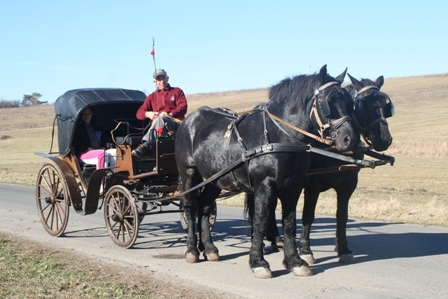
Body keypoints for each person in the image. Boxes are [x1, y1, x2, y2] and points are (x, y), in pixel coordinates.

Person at [132, 68, 188, 158]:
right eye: (159, 80)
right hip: (160, 130)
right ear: (155, 81)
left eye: (163, 78)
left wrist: (170, 114)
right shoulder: (152, 97)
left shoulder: (177, 91)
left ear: (168, 78)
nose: (161, 82)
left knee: (161, 119)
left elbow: (183, 107)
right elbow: (139, 113)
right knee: (159, 120)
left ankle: (145, 146)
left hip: (177, 124)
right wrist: (148, 114)